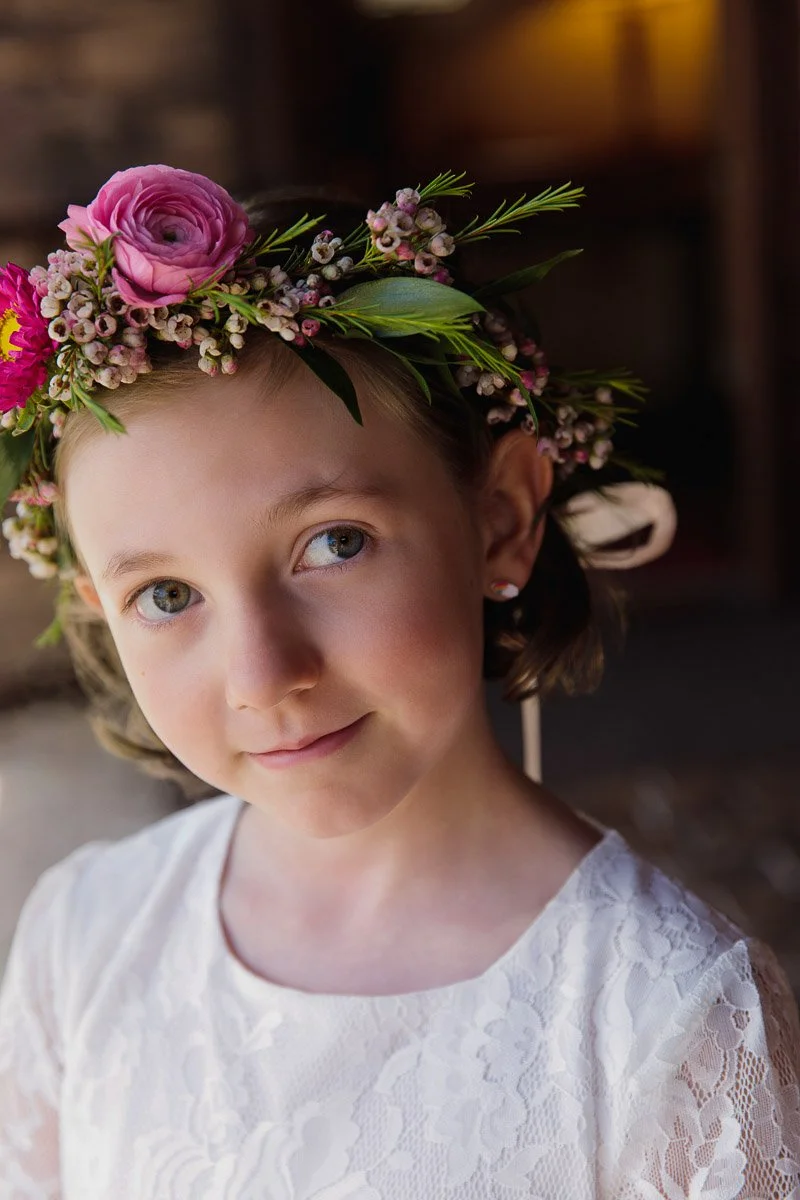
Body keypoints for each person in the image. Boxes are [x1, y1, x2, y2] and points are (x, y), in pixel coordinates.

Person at [0, 165, 797, 1199]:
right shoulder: (87, 938)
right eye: (165, 595)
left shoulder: (667, 1025)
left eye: (334, 543)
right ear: (100, 611)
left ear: (499, 518)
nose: (264, 675)